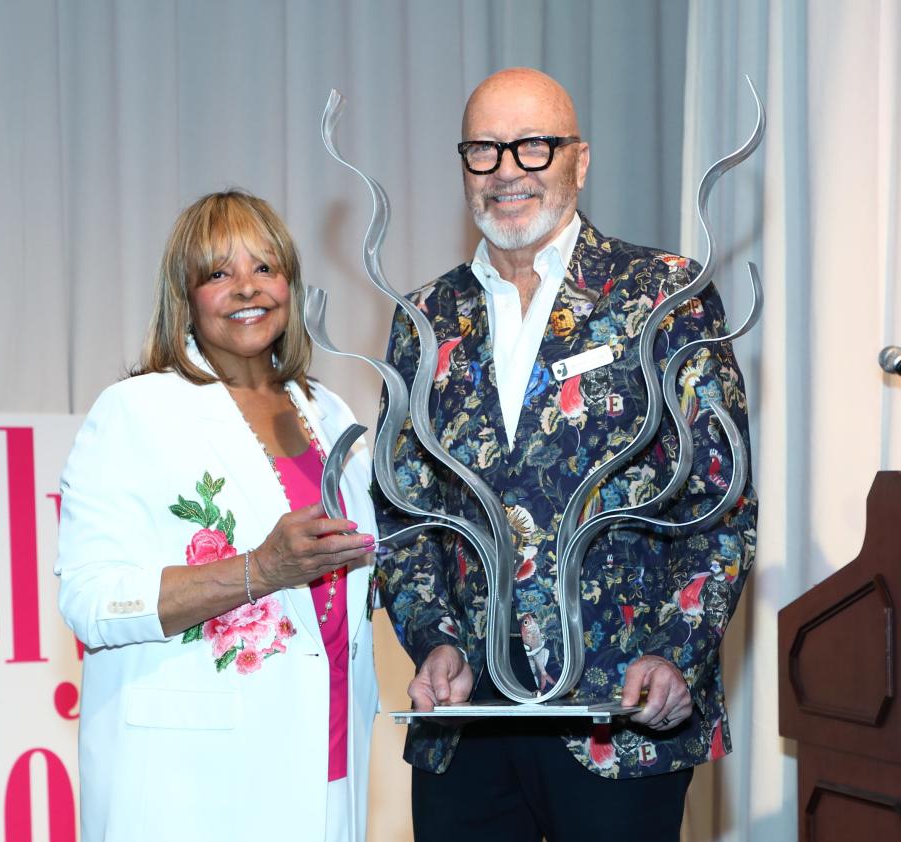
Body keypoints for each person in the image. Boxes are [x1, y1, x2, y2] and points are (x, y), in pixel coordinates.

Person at [375, 67, 757, 841]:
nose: (507, 169)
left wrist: (679, 651)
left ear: (579, 161)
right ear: (464, 167)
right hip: (468, 723)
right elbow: (401, 508)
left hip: (623, 712)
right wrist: (434, 639)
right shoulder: (423, 316)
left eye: (533, 146)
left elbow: (723, 500)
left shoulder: (663, 294)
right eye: (483, 149)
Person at [55, 190, 378, 842]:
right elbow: (89, 600)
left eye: (265, 267)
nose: (246, 288)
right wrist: (260, 569)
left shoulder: (333, 415)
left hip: (329, 761)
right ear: (187, 297)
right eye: (218, 273)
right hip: (195, 784)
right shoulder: (136, 412)